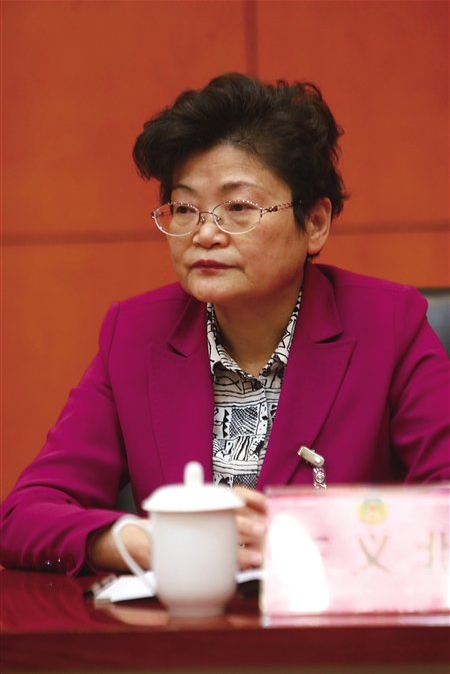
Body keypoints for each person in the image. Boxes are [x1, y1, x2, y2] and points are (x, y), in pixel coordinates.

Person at [1, 73, 449, 577]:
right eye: (185, 208)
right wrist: (140, 541)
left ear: (315, 222)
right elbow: (24, 514)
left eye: (238, 208)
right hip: (188, 621)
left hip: (334, 617)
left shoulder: (389, 324)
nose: (205, 234)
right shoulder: (136, 333)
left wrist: (313, 537)